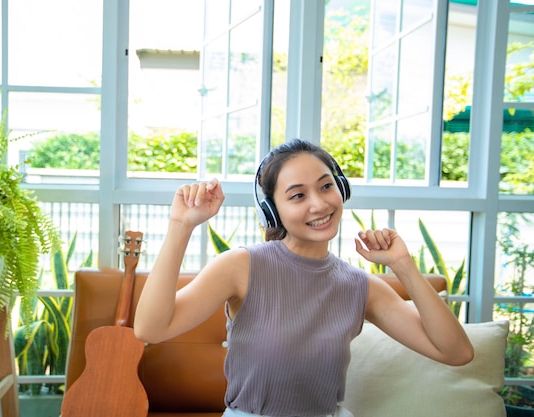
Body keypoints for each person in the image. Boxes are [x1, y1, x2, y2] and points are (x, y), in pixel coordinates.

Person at [134, 138, 474, 417]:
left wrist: (403, 266)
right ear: (272, 210)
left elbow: (456, 352)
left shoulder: (361, 286)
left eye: (326, 186)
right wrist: (182, 226)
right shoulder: (241, 265)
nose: (319, 204)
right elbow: (151, 329)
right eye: (297, 195)